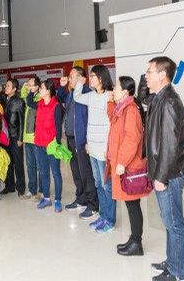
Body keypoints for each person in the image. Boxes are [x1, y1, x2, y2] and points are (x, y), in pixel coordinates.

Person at [144, 57, 184, 281]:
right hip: (164, 172)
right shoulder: (159, 98)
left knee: (174, 223)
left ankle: (179, 272)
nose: (146, 75)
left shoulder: (169, 102)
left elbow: (170, 145)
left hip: (169, 174)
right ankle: (173, 262)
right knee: (169, 221)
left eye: (150, 72)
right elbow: (143, 96)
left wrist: (161, 177)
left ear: (162, 75)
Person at [107, 76, 149, 255]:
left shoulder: (130, 110)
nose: (113, 90)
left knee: (133, 206)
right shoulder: (121, 108)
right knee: (131, 205)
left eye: (116, 88)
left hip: (129, 165)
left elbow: (132, 139)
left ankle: (137, 244)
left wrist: (122, 162)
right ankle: (133, 239)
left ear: (125, 92)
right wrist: (111, 101)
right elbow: (112, 118)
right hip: (123, 163)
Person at [73, 65, 116, 233]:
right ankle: (103, 216)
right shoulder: (90, 96)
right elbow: (77, 97)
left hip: (104, 149)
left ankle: (110, 220)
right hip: (92, 147)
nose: (90, 79)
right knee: (98, 183)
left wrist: (108, 147)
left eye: (92, 76)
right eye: (89, 76)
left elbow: (112, 125)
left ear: (101, 78)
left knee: (106, 186)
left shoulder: (110, 96)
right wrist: (79, 83)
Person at [58, 67, 99, 220]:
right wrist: (62, 87)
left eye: (72, 76)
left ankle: (93, 204)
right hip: (70, 139)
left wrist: (87, 140)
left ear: (81, 78)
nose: (69, 79)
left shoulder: (87, 94)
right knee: (76, 172)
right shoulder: (71, 94)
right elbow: (61, 97)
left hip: (82, 141)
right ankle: (81, 198)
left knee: (86, 173)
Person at [26, 80, 64, 212]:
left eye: (41, 88)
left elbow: (58, 127)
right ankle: (47, 198)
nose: (40, 91)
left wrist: (57, 144)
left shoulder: (56, 105)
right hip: (39, 144)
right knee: (43, 172)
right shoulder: (39, 104)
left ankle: (58, 200)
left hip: (51, 145)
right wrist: (31, 91)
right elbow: (29, 102)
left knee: (56, 173)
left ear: (48, 91)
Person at [1, 78, 26, 197]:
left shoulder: (19, 102)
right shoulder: (4, 100)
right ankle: (9, 186)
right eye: (6, 86)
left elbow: (22, 121)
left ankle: (20, 188)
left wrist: (20, 138)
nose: (6, 88)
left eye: (8, 86)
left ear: (14, 89)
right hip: (5, 137)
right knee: (7, 162)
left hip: (15, 137)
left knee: (18, 163)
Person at [20, 76, 42, 201]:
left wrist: (30, 92)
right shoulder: (29, 96)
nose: (29, 87)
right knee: (30, 166)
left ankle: (42, 191)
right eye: (28, 85)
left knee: (40, 166)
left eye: (31, 85)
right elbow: (23, 94)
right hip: (27, 138)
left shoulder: (39, 98)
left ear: (37, 87)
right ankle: (32, 190)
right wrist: (25, 86)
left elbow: (29, 101)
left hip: (37, 138)